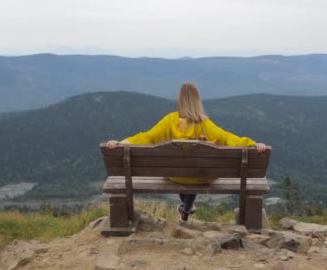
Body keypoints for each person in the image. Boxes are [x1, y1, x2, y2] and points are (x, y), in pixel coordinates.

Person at [105, 82, 267, 221]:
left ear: (180, 100)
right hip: (203, 176)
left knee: (183, 171)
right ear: (197, 101)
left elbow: (147, 137)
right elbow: (227, 138)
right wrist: (253, 144)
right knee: (194, 171)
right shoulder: (205, 124)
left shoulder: (170, 121)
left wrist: (121, 143)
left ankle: (185, 209)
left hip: (174, 175)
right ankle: (186, 209)